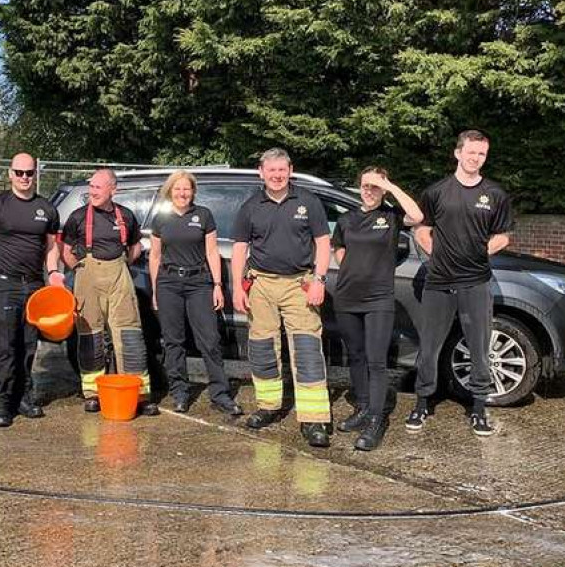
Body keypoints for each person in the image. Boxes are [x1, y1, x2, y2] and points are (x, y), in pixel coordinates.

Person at [409, 130, 513, 436]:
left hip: (476, 283)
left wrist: (484, 250)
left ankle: (479, 409)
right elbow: (421, 229)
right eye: (471, 152)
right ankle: (422, 403)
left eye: (481, 154)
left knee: (479, 348)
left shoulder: (495, 194)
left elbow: (504, 235)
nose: (475, 158)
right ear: (458, 153)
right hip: (439, 282)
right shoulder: (437, 191)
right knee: (429, 347)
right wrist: (435, 252)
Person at [231, 148, 332, 447]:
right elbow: (239, 249)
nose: (276, 175)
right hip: (260, 284)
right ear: (261, 172)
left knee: (307, 349)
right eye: (271, 170)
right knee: (262, 347)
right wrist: (237, 286)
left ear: (291, 170)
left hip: (299, 284)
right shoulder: (250, 206)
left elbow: (323, 243)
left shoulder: (308, 202)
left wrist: (319, 280)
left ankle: (314, 419)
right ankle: (268, 406)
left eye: (282, 170)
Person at [331, 168, 423, 451]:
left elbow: (418, 217)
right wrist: (352, 269)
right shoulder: (347, 218)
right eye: (365, 186)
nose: (368, 191)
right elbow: (339, 248)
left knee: (376, 359)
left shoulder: (392, 217)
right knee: (356, 356)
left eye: (374, 186)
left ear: (383, 188)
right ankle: (362, 407)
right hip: (347, 297)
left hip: (379, 299)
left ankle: (376, 418)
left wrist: (390, 186)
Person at [61, 168, 157, 415]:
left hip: (119, 275)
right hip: (88, 276)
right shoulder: (78, 217)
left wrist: (121, 267)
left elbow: (135, 247)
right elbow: (66, 250)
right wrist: (82, 271)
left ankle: (139, 393)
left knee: (129, 333)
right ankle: (92, 393)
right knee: (90, 334)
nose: (92, 191)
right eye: (91, 187)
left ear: (113, 190)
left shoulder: (125, 216)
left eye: (97, 187)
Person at [149, 171, 242, 416]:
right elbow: (155, 256)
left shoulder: (203, 216)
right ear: (170, 191)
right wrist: (156, 290)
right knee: (173, 341)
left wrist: (217, 285)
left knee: (209, 340)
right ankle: (179, 392)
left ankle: (220, 393)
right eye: (178, 189)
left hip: (198, 283)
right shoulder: (161, 219)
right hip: (169, 283)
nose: (182, 193)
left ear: (193, 192)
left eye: (187, 189)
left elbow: (212, 253)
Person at [0, 153, 63, 427]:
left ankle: (24, 396)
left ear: (35, 173)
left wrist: (53, 273)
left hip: (35, 285)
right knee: (4, 345)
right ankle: (1, 403)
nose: (24, 178)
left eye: (29, 173)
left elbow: (51, 246)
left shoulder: (46, 208)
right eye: (19, 172)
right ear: (10, 174)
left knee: (29, 344)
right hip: (6, 283)